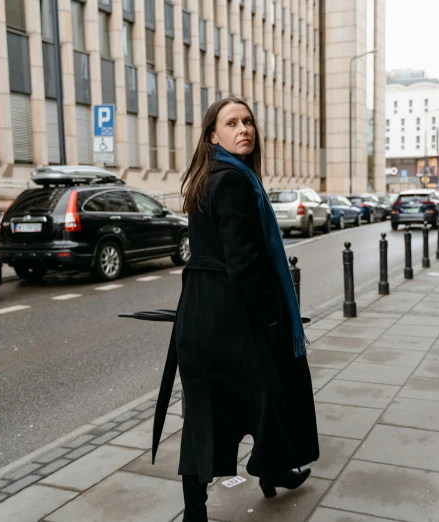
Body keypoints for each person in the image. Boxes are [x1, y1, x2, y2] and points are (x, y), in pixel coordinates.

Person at [150, 97, 319, 522]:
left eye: (247, 121)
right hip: (232, 315)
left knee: (212, 408)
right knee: (267, 392)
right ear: (213, 136)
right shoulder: (234, 181)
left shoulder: (209, 178)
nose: (244, 128)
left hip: (203, 311)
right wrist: (274, 319)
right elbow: (244, 263)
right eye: (231, 123)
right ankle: (268, 471)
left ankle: (205, 506)